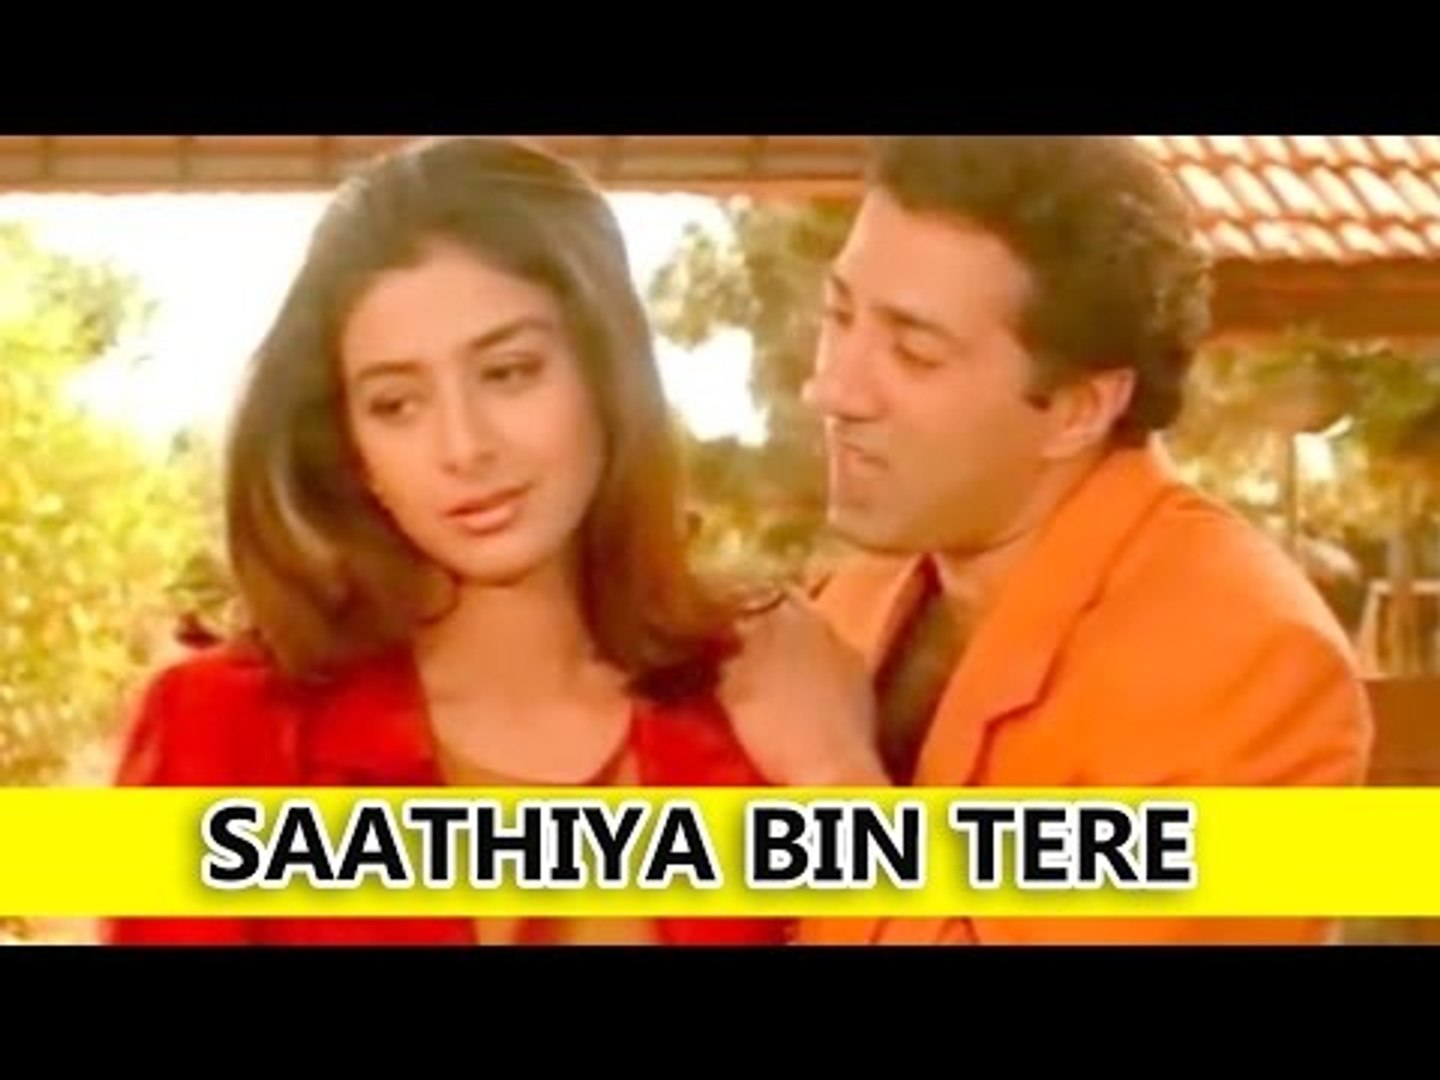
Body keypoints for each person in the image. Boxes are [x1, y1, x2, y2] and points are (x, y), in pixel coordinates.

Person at [103, 136, 884, 947]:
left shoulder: (762, 704)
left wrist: (834, 779)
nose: (464, 446)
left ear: (607, 374)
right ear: (353, 449)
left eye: (508, 372)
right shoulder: (221, 733)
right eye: (396, 404)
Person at [793, 136, 1374, 946]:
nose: (831, 388)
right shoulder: (854, 599)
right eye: (839, 316)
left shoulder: (1256, 668)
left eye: (915, 352)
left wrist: (828, 775)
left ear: (1078, 410)